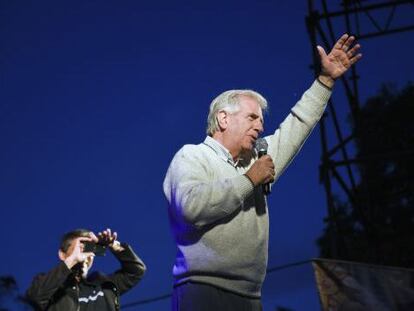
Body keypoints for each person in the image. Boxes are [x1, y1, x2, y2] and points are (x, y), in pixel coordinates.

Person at [163, 34, 362, 310]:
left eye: (261, 120)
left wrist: (325, 81)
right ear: (223, 118)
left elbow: (296, 126)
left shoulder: (257, 160)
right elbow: (190, 208)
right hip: (202, 291)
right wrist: (249, 180)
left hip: (251, 297)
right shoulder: (192, 156)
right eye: (252, 117)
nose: (260, 126)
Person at [26, 228, 146, 311]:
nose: (86, 254)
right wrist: (73, 259)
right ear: (62, 254)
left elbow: (136, 271)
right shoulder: (49, 285)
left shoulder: (103, 285)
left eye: (90, 249)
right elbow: (34, 298)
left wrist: (113, 245)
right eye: (81, 247)